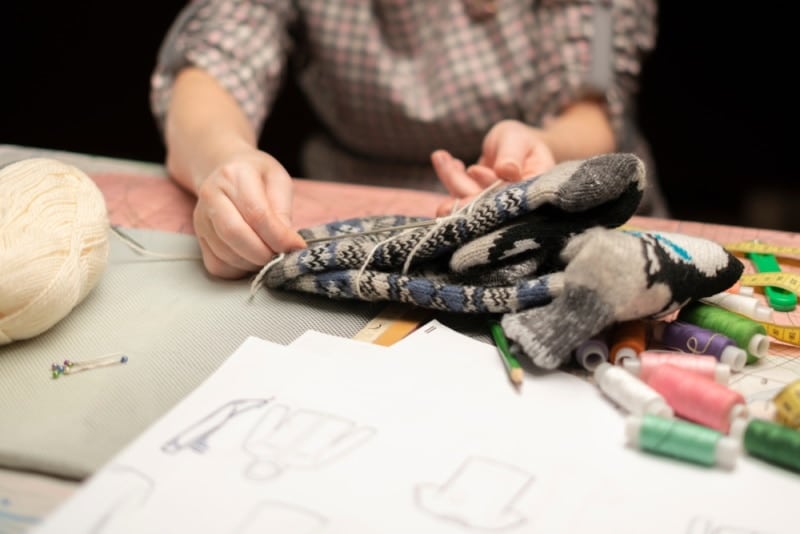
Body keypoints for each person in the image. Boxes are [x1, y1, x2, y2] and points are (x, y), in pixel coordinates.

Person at [151, 0, 665, 279]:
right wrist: (225, 157)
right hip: (355, 215)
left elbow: (591, 108)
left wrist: (540, 150)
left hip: (558, 201)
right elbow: (212, 67)